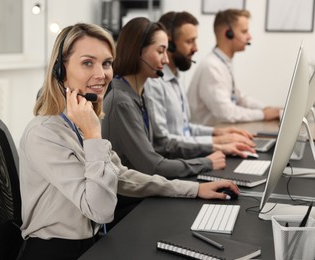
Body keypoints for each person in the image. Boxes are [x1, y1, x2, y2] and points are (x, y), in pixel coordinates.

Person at [18, 23, 240, 260]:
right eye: (87, 63)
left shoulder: (77, 123)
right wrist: (94, 135)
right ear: (60, 71)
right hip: (55, 251)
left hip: (88, 244)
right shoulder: (44, 134)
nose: (101, 74)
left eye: (106, 63)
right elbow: (100, 210)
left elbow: (120, 175)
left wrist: (193, 189)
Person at [144, 11, 255, 149]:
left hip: (184, 156)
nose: (196, 48)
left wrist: (218, 133)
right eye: (190, 41)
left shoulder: (175, 78)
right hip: (174, 163)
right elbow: (163, 142)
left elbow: (184, 129)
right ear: (169, 44)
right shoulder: (154, 83)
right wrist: (216, 144)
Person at [187, 9, 280, 126]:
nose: (249, 37)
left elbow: (240, 98)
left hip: (220, 133)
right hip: (205, 138)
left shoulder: (223, 63)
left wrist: (268, 109)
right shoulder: (211, 67)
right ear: (228, 34)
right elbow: (226, 112)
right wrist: (263, 114)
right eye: (244, 31)